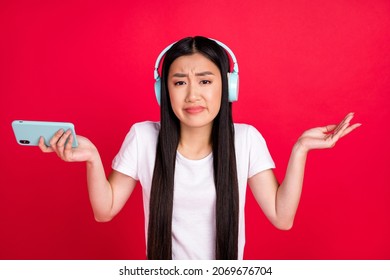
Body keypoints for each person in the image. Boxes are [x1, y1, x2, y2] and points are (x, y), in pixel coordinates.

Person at [39, 36, 361, 260]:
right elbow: (104, 211)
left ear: (228, 87)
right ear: (163, 91)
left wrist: (301, 148)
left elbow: (282, 216)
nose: (192, 94)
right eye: (179, 82)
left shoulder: (246, 139)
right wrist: (93, 158)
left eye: (205, 81)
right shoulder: (143, 138)